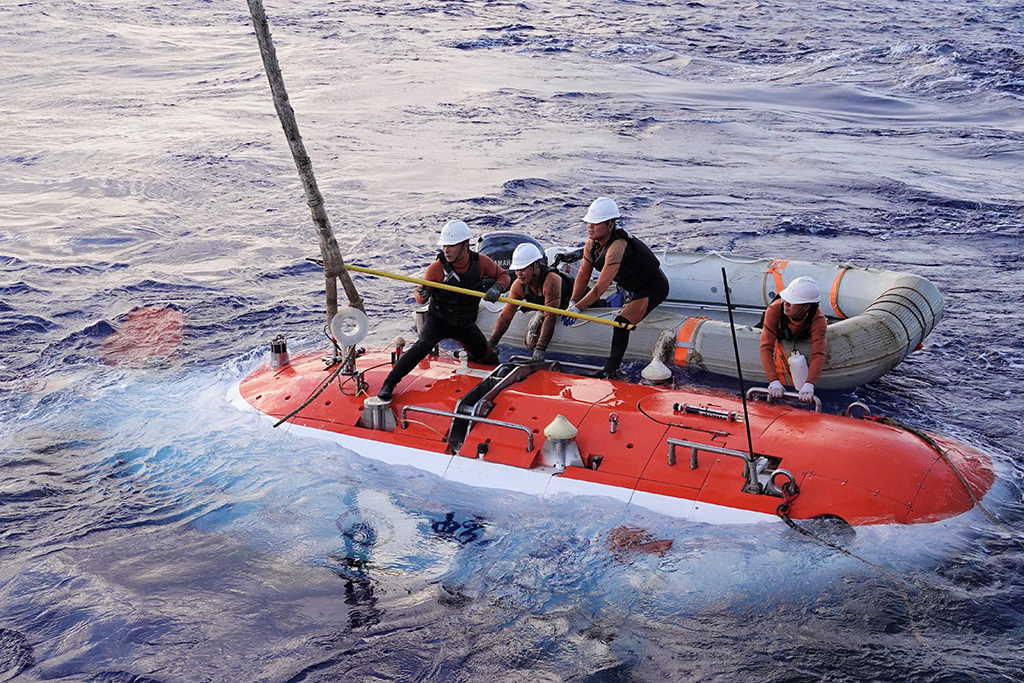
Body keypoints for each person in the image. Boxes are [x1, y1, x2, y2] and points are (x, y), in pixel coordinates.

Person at [377, 220, 510, 401]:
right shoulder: (437, 268)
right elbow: (420, 298)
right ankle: (389, 383)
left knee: (489, 358)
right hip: (439, 320)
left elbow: (503, 276)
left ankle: (479, 370)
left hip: (465, 323)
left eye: (451, 245)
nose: (446, 250)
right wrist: (422, 293)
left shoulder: (482, 263)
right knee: (420, 347)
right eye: (444, 245)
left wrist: (497, 288)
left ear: (465, 245)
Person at [564, 197, 670, 378]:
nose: (590, 226)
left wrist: (579, 308)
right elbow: (583, 275)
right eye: (589, 222)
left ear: (611, 225)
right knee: (593, 301)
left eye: (596, 223)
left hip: (652, 287)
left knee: (621, 323)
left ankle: (610, 370)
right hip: (631, 286)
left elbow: (601, 286)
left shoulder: (617, 247)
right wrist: (573, 301)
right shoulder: (591, 245)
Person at [488, 242, 574, 363]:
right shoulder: (518, 284)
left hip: (579, 302)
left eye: (523, 269)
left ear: (536, 266)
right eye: (517, 269)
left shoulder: (551, 280)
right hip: (546, 306)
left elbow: (550, 316)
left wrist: (540, 349)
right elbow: (506, 314)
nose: (519, 274)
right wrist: (492, 342)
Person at [759, 276, 827, 403]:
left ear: (806, 307)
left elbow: (818, 354)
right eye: (786, 299)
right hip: (776, 328)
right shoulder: (775, 309)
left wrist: (809, 384)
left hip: (801, 333)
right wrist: (773, 380)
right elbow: (766, 347)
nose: (786, 303)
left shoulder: (818, 319)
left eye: (792, 301)